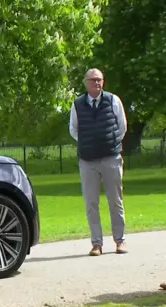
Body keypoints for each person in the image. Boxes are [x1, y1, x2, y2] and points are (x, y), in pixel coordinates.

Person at [69, 68, 128, 256]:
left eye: (99, 80)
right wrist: (89, 143)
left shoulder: (113, 100)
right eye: (92, 80)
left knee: (115, 201)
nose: (96, 83)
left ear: (103, 82)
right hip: (88, 160)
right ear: (86, 82)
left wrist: (110, 141)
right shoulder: (77, 104)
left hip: (111, 157)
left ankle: (120, 241)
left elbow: (122, 126)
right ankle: (96, 244)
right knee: (91, 203)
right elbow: (74, 129)